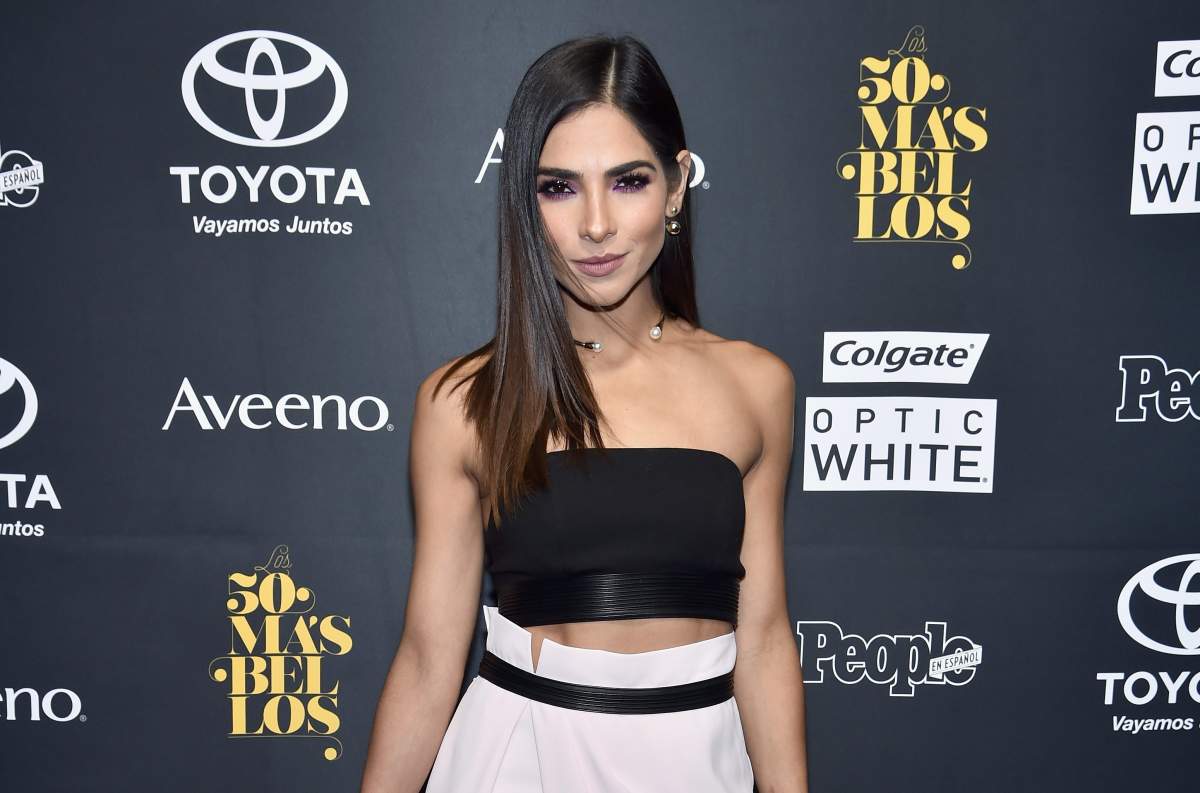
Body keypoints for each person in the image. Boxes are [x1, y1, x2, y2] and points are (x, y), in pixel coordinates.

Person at [360, 34, 809, 793]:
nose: (596, 224)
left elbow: (762, 638)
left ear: (677, 185)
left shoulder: (756, 385)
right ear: (523, 201)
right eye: (559, 188)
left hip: (695, 762)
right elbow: (430, 659)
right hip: (519, 759)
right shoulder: (464, 399)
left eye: (628, 181)